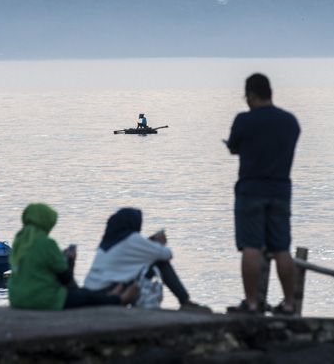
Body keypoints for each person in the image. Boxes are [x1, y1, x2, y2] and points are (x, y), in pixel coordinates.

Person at [225, 73, 300, 315]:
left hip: (251, 189)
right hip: (280, 189)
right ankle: (289, 304)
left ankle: (252, 302)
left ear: (251, 95)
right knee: (282, 248)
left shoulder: (244, 120)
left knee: (251, 246)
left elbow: (234, 146)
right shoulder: (290, 122)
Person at [8, 203, 139, 310]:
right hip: (41, 299)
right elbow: (66, 280)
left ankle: (112, 296)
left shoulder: (19, 240)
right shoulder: (47, 243)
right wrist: (70, 260)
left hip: (16, 298)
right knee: (85, 296)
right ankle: (119, 299)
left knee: (83, 294)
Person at [83, 208, 210, 312]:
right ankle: (184, 301)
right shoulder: (132, 239)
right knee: (159, 262)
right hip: (108, 293)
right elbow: (167, 254)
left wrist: (149, 244)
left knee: (146, 263)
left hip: (92, 293)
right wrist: (159, 244)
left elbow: (131, 253)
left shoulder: (106, 243)